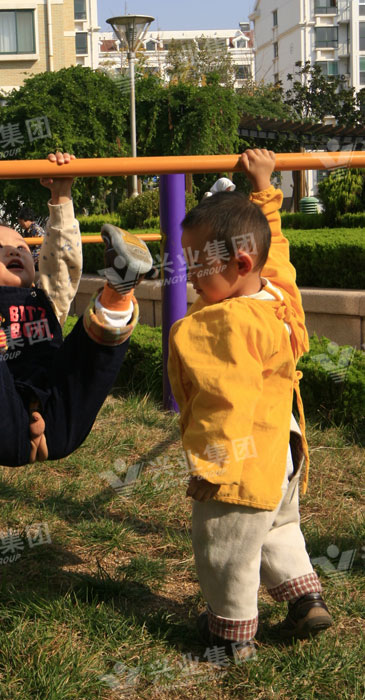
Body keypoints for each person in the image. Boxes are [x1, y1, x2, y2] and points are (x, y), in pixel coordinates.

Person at [168, 149, 332, 660]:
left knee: (226, 548)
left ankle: (231, 637)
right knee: (279, 526)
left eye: (198, 264)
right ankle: (305, 599)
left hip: (241, 458)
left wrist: (211, 467)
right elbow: (275, 252)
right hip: (284, 449)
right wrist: (264, 189)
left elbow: (224, 402)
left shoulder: (223, 324)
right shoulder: (278, 298)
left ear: (239, 264)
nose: (190, 275)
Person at [0, 152, 153, 466]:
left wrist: (62, 194)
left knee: (88, 358)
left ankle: (117, 294)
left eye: (22, 247)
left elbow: (61, 261)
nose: (14, 250)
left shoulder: (46, 296)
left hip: (59, 410)